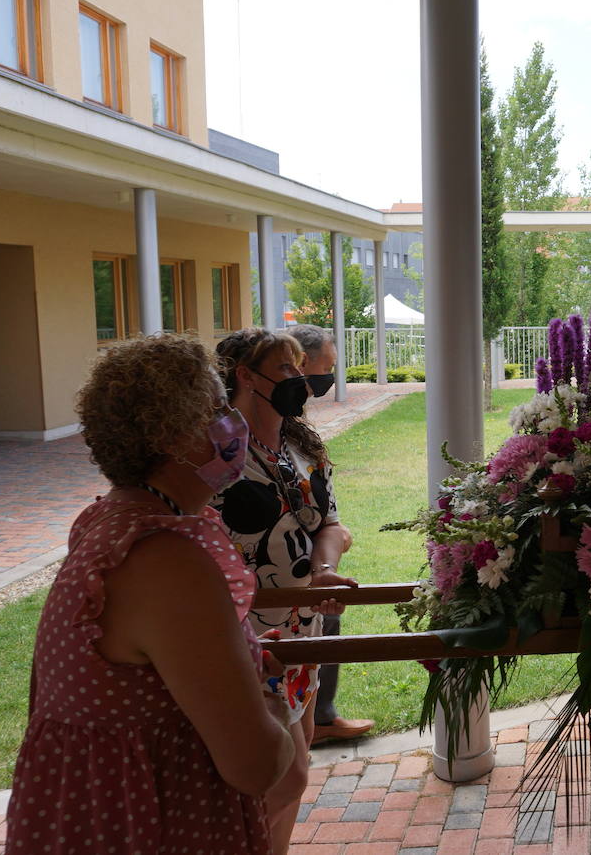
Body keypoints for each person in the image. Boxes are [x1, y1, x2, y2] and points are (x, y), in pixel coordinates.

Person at [7, 334, 292, 855]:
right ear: (174, 434)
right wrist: (272, 705)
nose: (233, 421)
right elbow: (256, 766)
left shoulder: (105, 525)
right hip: (157, 825)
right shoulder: (166, 560)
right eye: (217, 408)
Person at [213, 328, 356, 854]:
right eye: (287, 369)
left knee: (299, 760)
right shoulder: (216, 451)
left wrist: (322, 570)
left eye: (301, 368)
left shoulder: (302, 445)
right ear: (246, 376)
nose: (301, 379)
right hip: (248, 637)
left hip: (302, 630)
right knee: (283, 774)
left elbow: (332, 526)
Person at [285, 323, 375, 746]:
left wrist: (327, 553)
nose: (327, 380)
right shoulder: (232, 448)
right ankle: (319, 716)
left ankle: (319, 715)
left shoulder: (299, 439)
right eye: (324, 369)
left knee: (328, 616)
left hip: (306, 589)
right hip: (263, 611)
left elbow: (327, 518)